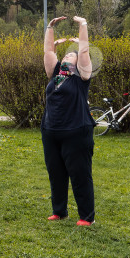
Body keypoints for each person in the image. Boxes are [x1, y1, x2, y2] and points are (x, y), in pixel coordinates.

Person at [41, 16, 95, 226]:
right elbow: (48, 52)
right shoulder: (55, 74)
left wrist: (83, 25)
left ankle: (86, 216)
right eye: (65, 55)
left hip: (77, 131)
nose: (67, 56)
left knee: (80, 174)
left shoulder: (82, 76)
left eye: (70, 55)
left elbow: (82, 51)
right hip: (51, 130)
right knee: (56, 173)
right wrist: (50, 27)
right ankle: (59, 211)